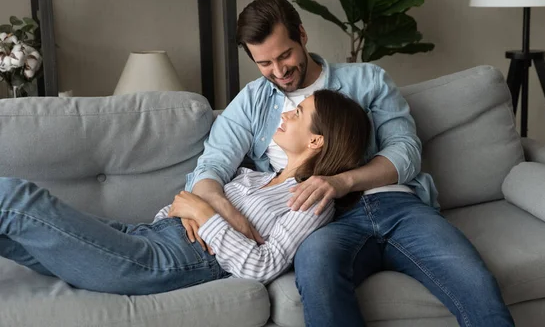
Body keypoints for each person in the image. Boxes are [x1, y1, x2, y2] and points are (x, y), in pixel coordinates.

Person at [184, 0, 515, 327]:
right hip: (325, 223)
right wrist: (213, 205)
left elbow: (405, 150)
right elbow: (211, 165)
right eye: (265, 64)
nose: (279, 71)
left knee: (474, 282)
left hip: (398, 207)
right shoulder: (252, 101)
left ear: (302, 34)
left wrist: (341, 182)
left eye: (285, 55)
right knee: (317, 273)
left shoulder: (367, 80)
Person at [0, 89, 370, 295]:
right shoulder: (253, 177)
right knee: (10, 226)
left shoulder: (312, 201)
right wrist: (189, 208)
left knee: (15, 199)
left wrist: (204, 212)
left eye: (299, 113)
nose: (286, 114)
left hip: (166, 260)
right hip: (147, 235)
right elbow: (177, 204)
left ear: (317, 140)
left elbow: (263, 264)